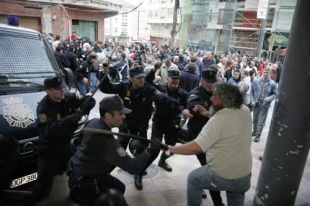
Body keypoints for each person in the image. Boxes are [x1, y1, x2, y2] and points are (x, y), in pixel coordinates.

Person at [169, 82, 252, 206]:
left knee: (193, 180)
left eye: (214, 96)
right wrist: (208, 114)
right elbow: (229, 121)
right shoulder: (245, 110)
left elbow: (197, 147)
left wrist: (171, 148)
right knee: (236, 197)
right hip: (244, 175)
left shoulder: (217, 121)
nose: (210, 98)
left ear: (223, 100)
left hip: (223, 175)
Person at [68, 96, 160, 206]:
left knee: (119, 187)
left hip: (76, 173)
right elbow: (133, 167)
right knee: (115, 199)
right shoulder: (106, 140)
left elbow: (78, 142)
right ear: (107, 116)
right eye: (120, 114)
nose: (124, 116)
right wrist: (150, 150)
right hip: (85, 184)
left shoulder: (93, 122)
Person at [27, 76, 96, 205]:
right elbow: (49, 131)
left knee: (80, 171)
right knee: (42, 188)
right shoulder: (44, 108)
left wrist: (85, 107)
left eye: (62, 88)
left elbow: (88, 100)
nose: (62, 91)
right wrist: (69, 119)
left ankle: (77, 193)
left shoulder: (67, 97)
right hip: (50, 151)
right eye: (58, 89)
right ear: (48, 91)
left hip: (66, 146)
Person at [99, 64, 156, 190]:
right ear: (131, 78)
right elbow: (105, 87)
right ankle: (103, 176)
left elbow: (160, 97)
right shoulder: (123, 86)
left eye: (143, 77)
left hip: (141, 128)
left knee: (141, 152)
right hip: (125, 126)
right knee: (119, 151)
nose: (142, 80)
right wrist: (104, 72)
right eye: (138, 78)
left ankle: (138, 174)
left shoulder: (149, 89)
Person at [136, 67, 188, 189]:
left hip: (172, 125)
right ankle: (139, 172)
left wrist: (182, 123)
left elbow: (186, 109)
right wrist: (154, 70)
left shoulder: (183, 94)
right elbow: (147, 83)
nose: (175, 81)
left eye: (177, 79)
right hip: (158, 123)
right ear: (167, 78)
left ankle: (162, 161)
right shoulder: (160, 88)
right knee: (154, 149)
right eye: (172, 78)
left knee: (170, 147)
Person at [182, 66, 224, 206]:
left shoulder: (218, 93)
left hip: (216, 137)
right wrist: (199, 110)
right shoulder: (195, 94)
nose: (210, 84)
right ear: (201, 80)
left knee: (213, 167)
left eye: (212, 81)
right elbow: (193, 106)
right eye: (207, 81)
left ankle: (199, 183)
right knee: (210, 169)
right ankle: (218, 202)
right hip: (200, 138)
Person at [250, 68, 277, 142]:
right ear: (262, 72)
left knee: (261, 121)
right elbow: (251, 92)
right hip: (256, 103)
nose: (266, 74)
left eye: (267, 73)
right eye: (265, 72)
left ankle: (258, 135)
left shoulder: (272, 83)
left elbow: (275, 94)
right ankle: (255, 131)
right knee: (255, 119)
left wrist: (268, 98)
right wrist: (252, 100)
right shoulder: (256, 81)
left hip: (264, 105)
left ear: (270, 74)